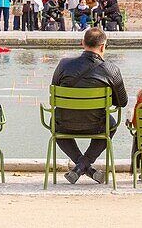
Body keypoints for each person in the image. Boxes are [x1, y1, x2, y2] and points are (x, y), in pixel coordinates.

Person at [49, 28, 128, 184]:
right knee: (111, 125)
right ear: (103, 47)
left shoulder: (64, 64)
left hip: (65, 123)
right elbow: (122, 102)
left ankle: (80, 166)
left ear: (82, 43)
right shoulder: (111, 70)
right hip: (96, 124)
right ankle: (85, 166)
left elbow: (55, 91)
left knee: (54, 123)